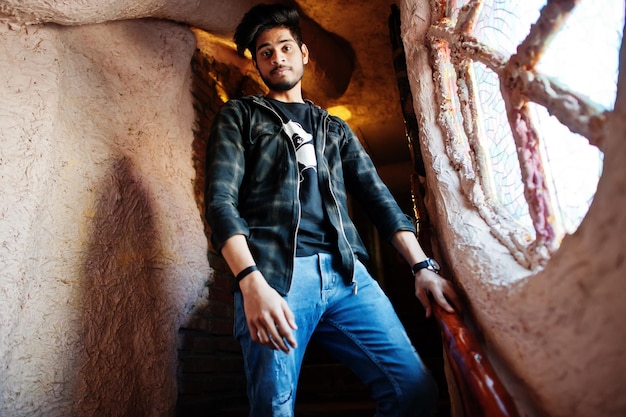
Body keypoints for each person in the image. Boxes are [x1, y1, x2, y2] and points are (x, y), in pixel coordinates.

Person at [205, 4, 459, 416]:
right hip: (275, 278)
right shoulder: (241, 116)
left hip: (347, 278)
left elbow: (378, 197)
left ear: (304, 53)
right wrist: (250, 282)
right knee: (274, 408)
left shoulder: (334, 128)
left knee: (413, 390)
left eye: (284, 47)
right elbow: (220, 202)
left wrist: (421, 266)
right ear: (256, 63)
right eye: (265, 51)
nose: (277, 57)